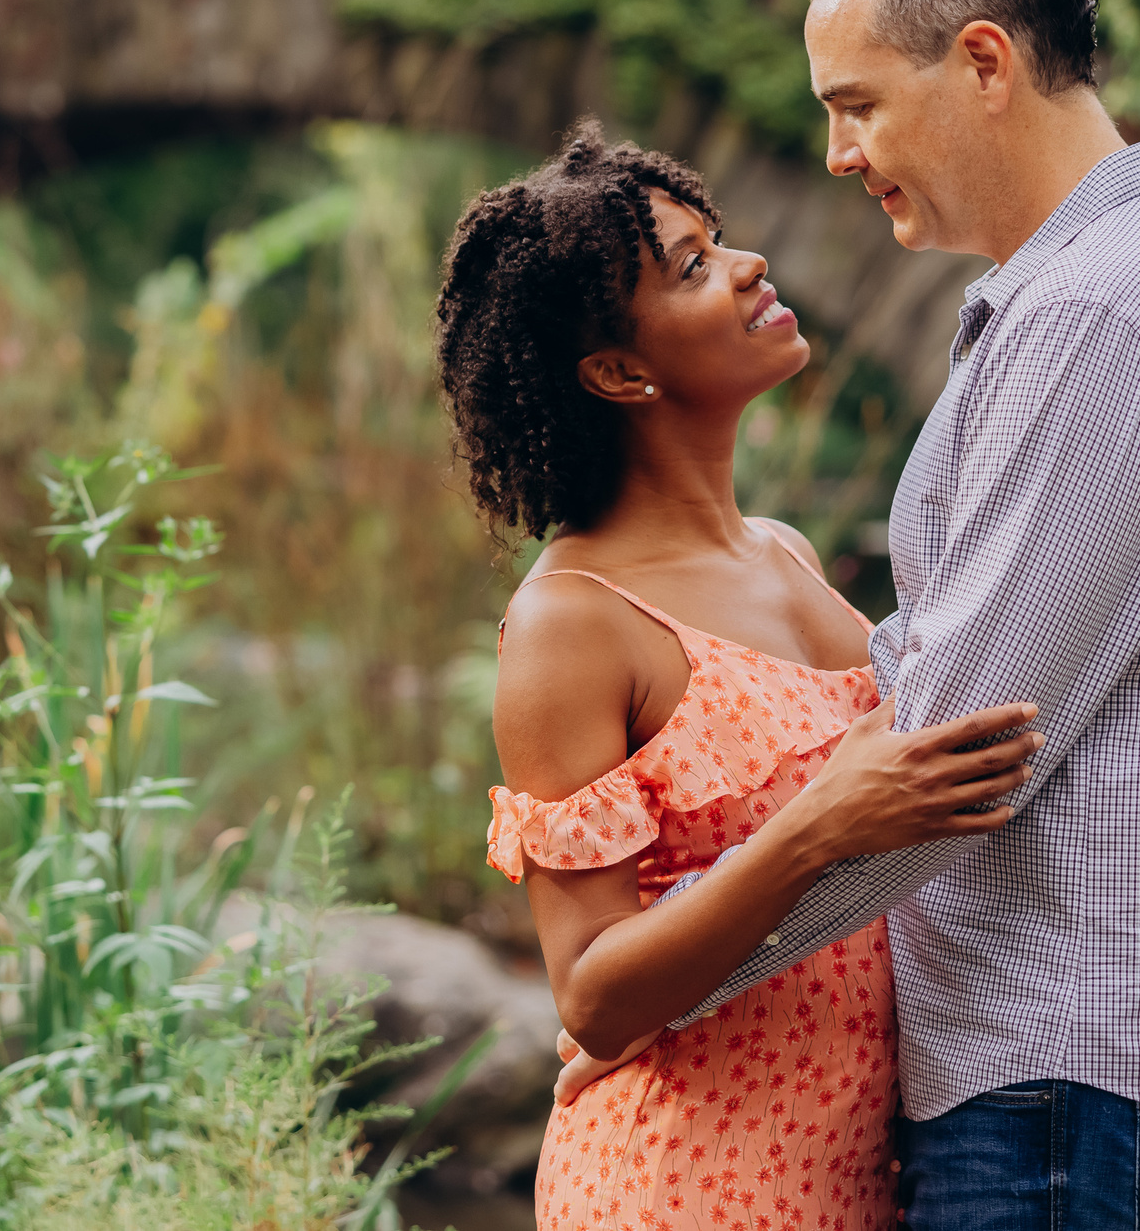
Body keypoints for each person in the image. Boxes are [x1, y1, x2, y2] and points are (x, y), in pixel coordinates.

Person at [558, 0, 1140, 1229]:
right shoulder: (1080, 294)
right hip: (1055, 1085)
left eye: (857, 104)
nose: (842, 154)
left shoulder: (1107, 316)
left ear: (982, 62)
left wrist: (658, 997)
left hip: (1070, 1079)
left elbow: (952, 755)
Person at [441, 121, 1047, 1230]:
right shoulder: (571, 620)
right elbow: (591, 990)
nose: (748, 263)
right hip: (683, 1183)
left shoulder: (784, 552)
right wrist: (817, 825)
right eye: (692, 267)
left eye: (716, 242)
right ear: (619, 371)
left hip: (859, 1169)